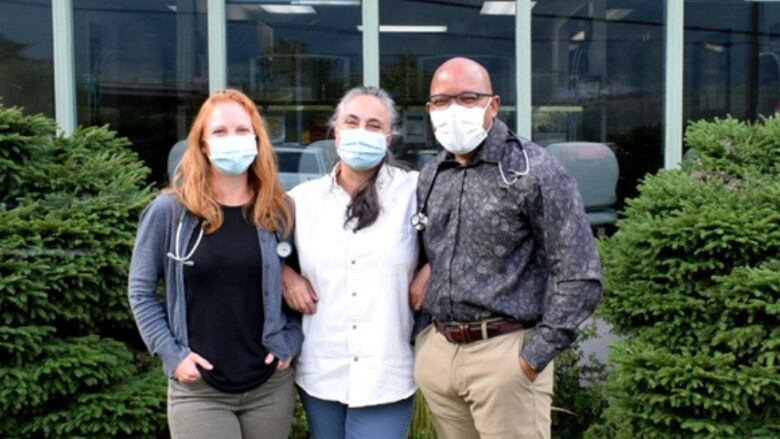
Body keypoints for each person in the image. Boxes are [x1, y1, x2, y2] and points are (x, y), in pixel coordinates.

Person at [410, 57, 603, 439]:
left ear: (493, 105)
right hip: (441, 353)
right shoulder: (433, 174)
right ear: (430, 110)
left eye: (467, 98)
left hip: (505, 355)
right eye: (442, 101)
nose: (453, 110)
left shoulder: (534, 170)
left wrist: (532, 359)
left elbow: (580, 272)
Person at [127, 89, 303, 439]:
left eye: (242, 130)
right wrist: (172, 355)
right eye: (220, 132)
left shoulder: (279, 212)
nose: (232, 139)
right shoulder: (171, 212)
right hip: (199, 390)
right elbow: (141, 291)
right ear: (203, 145)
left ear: (257, 138)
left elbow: (298, 285)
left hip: (269, 388)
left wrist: (290, 340)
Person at [281, 86, 419, 439]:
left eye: (375, 125)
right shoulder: (302, 201)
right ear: (336, 131)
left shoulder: (414, 194)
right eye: (352, 122)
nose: (362, 132)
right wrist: (285, 274)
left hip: (386, 373)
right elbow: (258, 250)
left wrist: (431, 270)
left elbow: (456, 238)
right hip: (321, 370)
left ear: (389, 138)